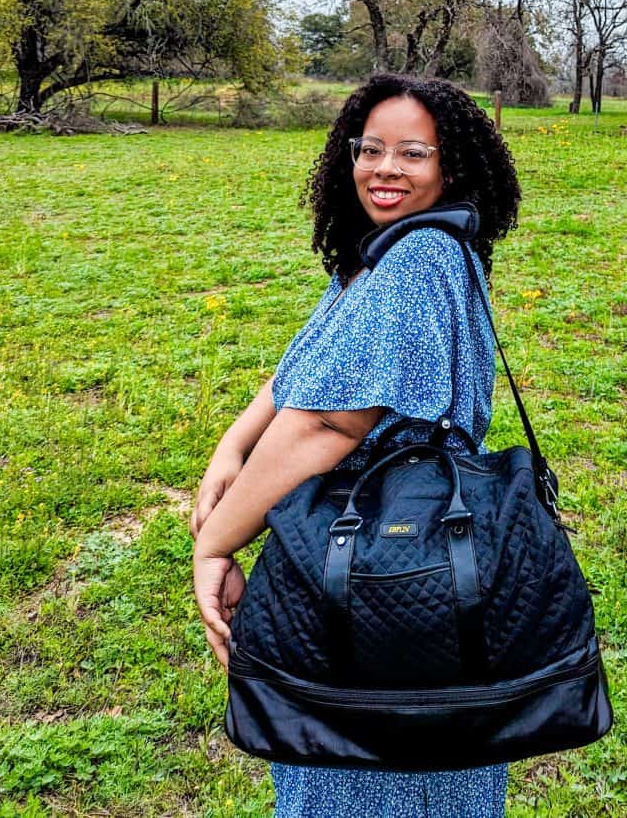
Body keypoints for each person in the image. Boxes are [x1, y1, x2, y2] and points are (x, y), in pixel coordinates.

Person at [190, 73, 522, 817]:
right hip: (387, 539)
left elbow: (329, 421)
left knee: (369, 761)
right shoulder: (393, 251)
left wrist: (215, 543)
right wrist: (232, 445)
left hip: (384, 554)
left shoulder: (415, 261)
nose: (385, 170)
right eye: (370, 149)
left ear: (450, 166)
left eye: (413, 153)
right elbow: (307, 366)